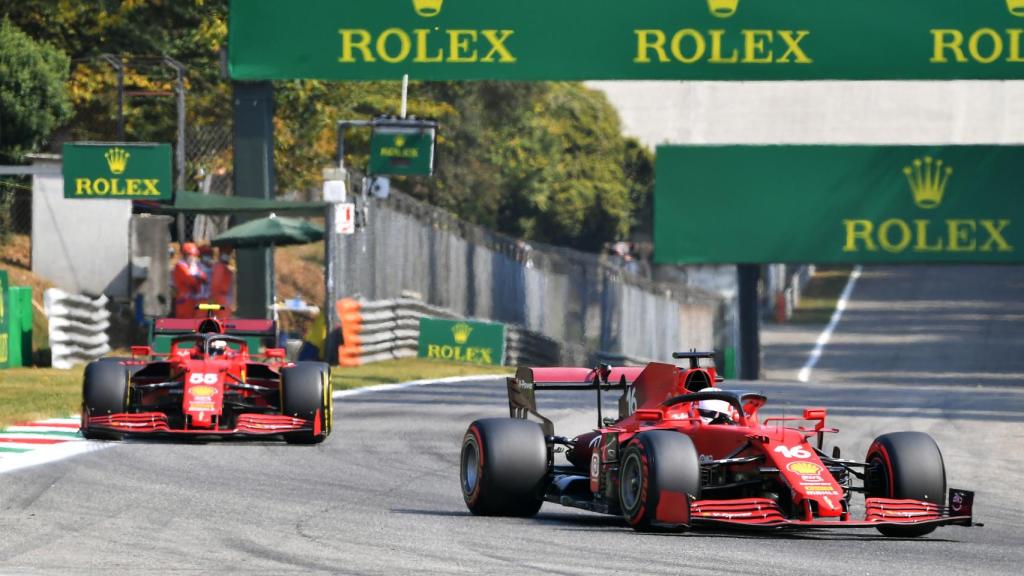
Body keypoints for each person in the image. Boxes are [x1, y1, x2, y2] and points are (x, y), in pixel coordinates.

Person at [172, 243, 207, 319]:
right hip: (184, 302)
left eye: (195, 255)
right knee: (185, 327)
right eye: (191, 255)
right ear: (185, 255)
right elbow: (191, 281)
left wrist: (199, 278)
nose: (193, 258)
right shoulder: (180, 266)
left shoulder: (193, 266)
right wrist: (199, 278)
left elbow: (204, 278)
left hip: (194, 302)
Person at [211, 245, 235, 319]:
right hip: (221, 298)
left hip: (225, 298)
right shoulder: (219, 267)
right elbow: (216, 286)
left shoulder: (227, 268)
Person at [196, 244, 215, 316]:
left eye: (209, 254)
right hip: (200, 297)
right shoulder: (196, 266)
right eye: (205, 254)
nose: (208, 257)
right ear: (200, 256)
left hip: (211, 297)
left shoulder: (214, 267)